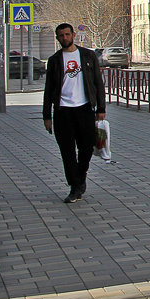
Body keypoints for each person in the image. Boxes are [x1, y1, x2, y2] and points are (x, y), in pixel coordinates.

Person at [42, 23, 106, 204]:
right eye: (61, 35)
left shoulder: (87, 56)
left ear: (73, 35)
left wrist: (101, 108)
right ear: (57, 38)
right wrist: (47, 115)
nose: (65, 38)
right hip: (62, 112)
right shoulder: (54, 60)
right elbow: (49, 90)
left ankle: (81, 176)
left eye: (67, 34)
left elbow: (97, 83)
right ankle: (75, 187)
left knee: (86, 148)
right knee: (67, 152)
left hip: (85, 109)